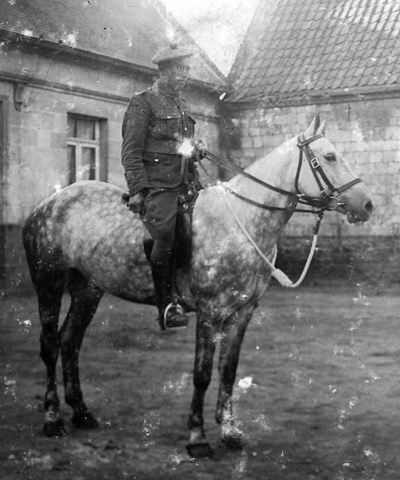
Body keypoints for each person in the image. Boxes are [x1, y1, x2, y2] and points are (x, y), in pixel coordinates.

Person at [121, 43, 204, 330]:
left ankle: (187, 291)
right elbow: (131, 151)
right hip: (157, 185)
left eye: (186, 71)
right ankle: (166, 306)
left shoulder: (183, 106)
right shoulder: (143, 102)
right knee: (165, 235)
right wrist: (138, 190)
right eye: (179, 70)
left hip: (185, 183)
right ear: (163, 71)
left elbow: (180, 148)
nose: (184, 76)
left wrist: (194, 150)